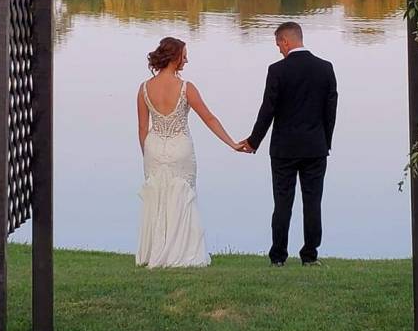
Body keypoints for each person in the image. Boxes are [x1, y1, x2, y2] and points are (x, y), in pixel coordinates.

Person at [136, 36, 244, 267]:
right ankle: (182, 254)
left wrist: (148, 154)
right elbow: (209, 118)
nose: (186, 60)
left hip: (153, 148)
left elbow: (142, 128)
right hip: (180, 148)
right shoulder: (186, 88)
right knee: (182, 198)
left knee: (158, 198)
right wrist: (232, 143)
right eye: (184, 56)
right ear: (174, 57)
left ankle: (155, 253)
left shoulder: (144, 88)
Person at [238, 22, 338, 266]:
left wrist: (253, 141)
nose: (279, 50)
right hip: (315, 147)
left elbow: (268, 110)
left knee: (282, 202)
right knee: (312, 202)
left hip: (284, 149)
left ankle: (278, 256)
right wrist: (325, 141)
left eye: (278, 45)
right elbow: (330, 110)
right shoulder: (325, 68)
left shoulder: (277, 70)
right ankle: (310, 255)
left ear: (286, 40)